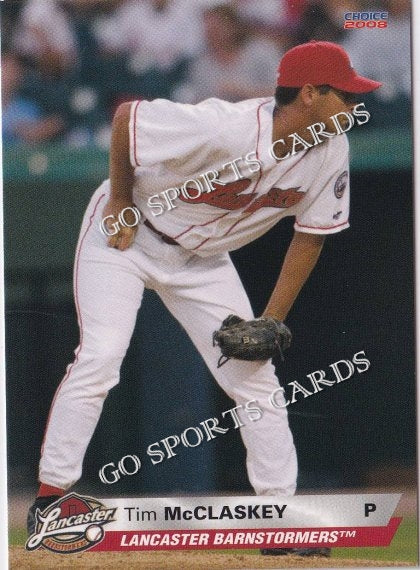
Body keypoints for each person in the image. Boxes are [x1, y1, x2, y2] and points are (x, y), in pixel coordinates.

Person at [27, 41, 381, 557]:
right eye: (345, 95)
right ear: (309, 94)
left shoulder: (331, 149)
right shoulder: (227, 127)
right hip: (129, 236)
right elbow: (128, 118)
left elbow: (310, 236)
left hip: (204, 259)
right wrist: (123, 200)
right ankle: (51, 499)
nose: (354, 106)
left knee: (258, 382)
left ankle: (278, 522)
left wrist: (269, 320)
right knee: (102, 356)